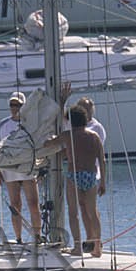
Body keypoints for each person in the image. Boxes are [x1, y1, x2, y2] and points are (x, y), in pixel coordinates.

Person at [47, 106, 107, 257]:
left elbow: (49, 144)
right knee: (92, 213)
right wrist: (103, 182)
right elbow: (102, 160)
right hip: (91, 176)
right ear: (85, 119)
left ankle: (78, 247)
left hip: (74, 175)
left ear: (71, 121)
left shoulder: (68, 136)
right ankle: (97, 247)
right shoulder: (94, 136)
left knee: (73, 213)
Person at [0, 92, 41, 245]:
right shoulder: (3, 124)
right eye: (12, 105)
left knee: (33, 203)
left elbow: (38, 146)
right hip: (9, 169)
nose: (15, 108)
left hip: (27, 167)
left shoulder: (30, 123)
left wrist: (40, 169)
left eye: (18, 105)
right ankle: (18, 238)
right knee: (15, 204)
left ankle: (37, 236)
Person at [65, 96, 108, 247]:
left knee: (90, 209)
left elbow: (99, 154)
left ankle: (96, 241)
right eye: (82, 108)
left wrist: (102, 179)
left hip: (91, 172)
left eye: (88, 108)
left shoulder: (96, 128)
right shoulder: (73, 125)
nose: (86, 111)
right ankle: (90, 238)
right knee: (82, 207)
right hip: (80, 170)